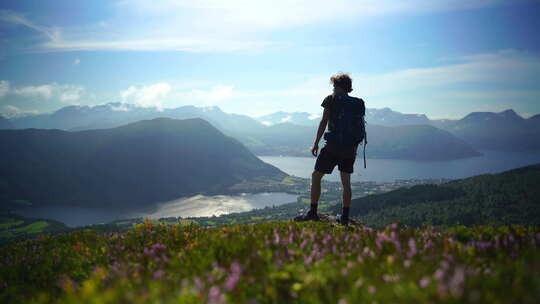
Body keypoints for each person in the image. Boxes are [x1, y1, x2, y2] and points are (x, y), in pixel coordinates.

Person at [294, 73, 366, 225]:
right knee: (346, 182)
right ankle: (345, 218)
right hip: (350, 150)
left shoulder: (330, 100)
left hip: (332, 148)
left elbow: (323, 122)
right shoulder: (358, 103)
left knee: (316, 176)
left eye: (334, 85)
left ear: (338, 86)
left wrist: (315, 143)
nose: (333, 88)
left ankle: (313, 212)